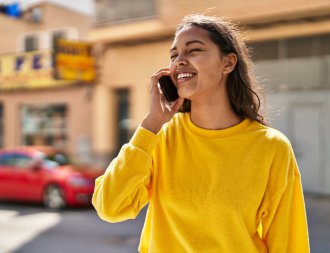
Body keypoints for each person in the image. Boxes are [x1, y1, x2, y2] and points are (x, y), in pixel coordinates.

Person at [92, 14, 310, 253]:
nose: (179, 61)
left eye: (193, 50)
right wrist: (150, 124)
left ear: (228, 63)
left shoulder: (271, 147)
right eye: (174, 55)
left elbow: (290, 243)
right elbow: (109, 207)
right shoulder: (160, 137)